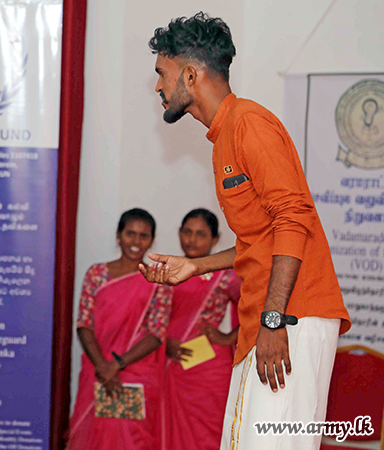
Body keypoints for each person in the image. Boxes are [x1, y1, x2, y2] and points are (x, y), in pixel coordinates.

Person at [143, 13, 351, 450]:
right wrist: (195, 266)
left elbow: (294, 218)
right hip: (267, 320)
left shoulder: (249, 124)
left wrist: (275, 321)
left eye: (162, 74)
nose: (158, 87)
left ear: (191, 74)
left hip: (291, 316)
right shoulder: (223, 139)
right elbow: (261, 239)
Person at [67, 208, 173, 450]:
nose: (136, 242)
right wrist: (103, 367)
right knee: (91, 436)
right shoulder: (97, 274)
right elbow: (84, 324)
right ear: (119, 235)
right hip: (98, 372)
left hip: (134, 375)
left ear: (151, 240)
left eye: (143, 236)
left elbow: (157, 333)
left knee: (129, 440)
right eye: (130, 234)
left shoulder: (158, 281)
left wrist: (116, 365)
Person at [160, 208, 240, 450]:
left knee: (208, 433)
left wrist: (227, 337)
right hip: (169, 364)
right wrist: (164, 342)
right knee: (169, 431)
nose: (192, 240)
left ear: (215, 240)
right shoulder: (166, 272)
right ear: (179, 233)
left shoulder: (225, 275)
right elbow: (150, 319)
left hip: (208, 368)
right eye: (187, 232)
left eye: (201, 234)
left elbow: (259, 309)